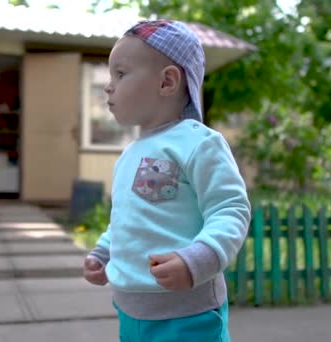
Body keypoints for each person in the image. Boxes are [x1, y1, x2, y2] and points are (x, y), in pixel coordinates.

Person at [83, 19, 251, 341]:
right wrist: (103, 253)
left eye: (120, 73)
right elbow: (127, 220)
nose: (108, 86)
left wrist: (197, 260)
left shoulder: (198, 143)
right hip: (130, 312)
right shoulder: (129, 154)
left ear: (167, 82)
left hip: (187, 316)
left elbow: (231, 209)